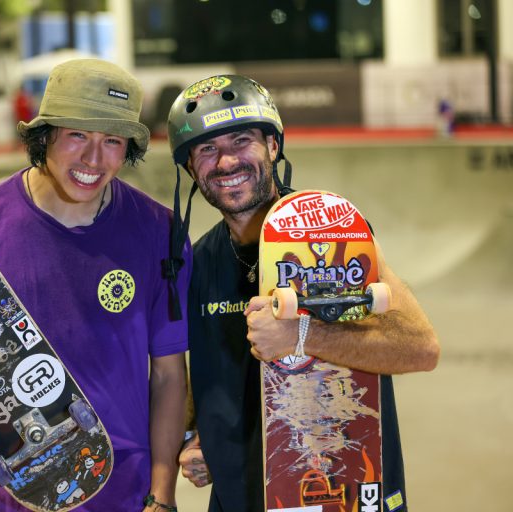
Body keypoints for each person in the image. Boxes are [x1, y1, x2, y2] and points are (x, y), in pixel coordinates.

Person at [0, 59, 189, 511]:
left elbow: (170, 374)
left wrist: (162, 495)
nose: (93, 160)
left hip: (122, 489)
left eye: (112, 141)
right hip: (6, 489)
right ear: (45, 137)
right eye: (78, 135)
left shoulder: (160, 233)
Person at [166, 75, 440, 511]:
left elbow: (420, 348)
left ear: (273, 146)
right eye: (206, 150)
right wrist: (196, 436)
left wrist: (303, 337)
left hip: (345, 494)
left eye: (241, 141)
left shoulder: (334, 234)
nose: (225, 162)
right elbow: (206, 369)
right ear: (190, 168)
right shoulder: (197, 263)